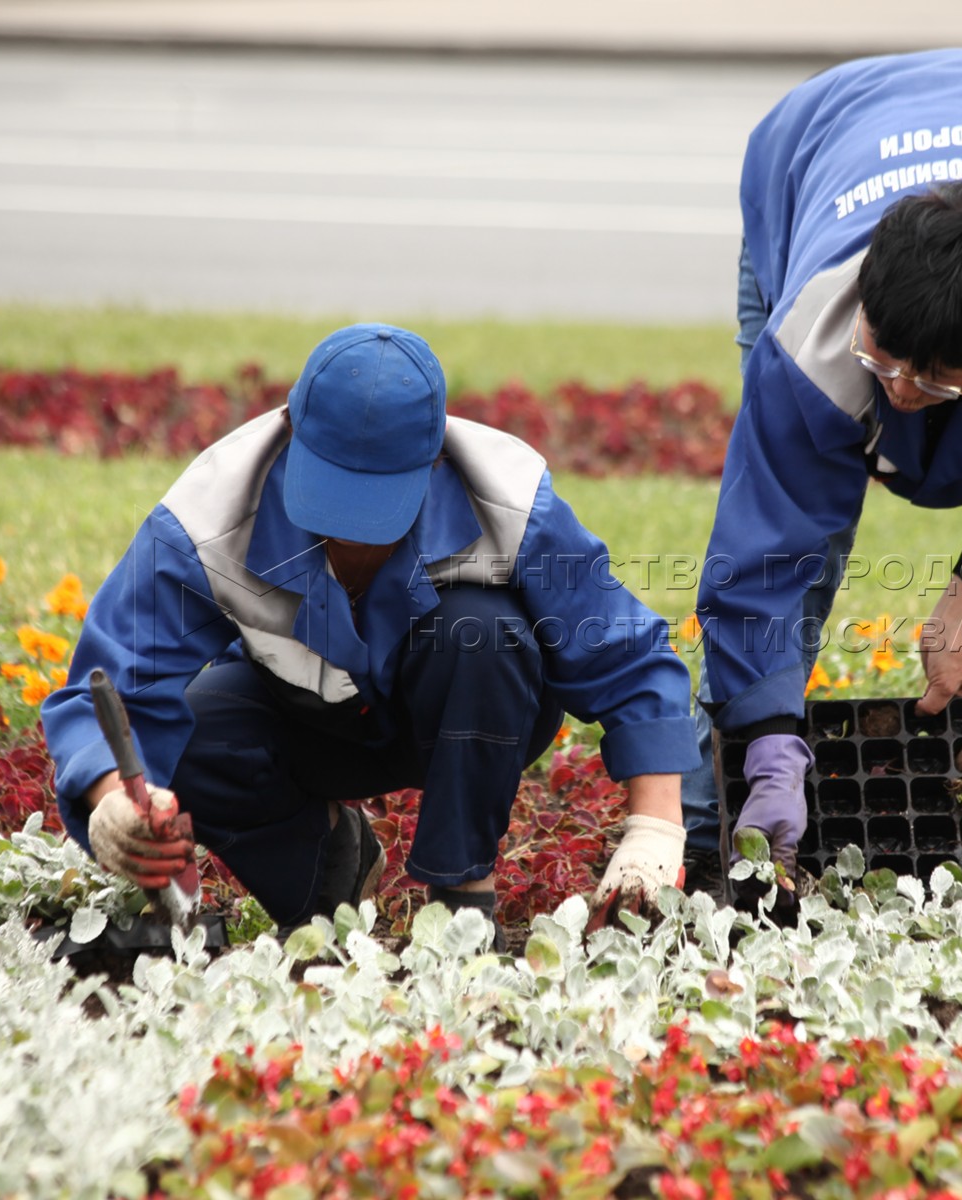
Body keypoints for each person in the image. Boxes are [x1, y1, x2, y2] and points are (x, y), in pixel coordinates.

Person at [42, 324, 699, 946]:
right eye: (330, 493)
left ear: (437, 456)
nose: (352, 533)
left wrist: (655, 827)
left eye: (378, 500)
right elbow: (110, 686)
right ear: (290, 431)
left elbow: (628, 656)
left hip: (474, 713)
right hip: (306, 719)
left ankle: (463, 905)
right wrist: (113, 801)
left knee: (482, 634)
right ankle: (327, 875)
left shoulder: (512, 500)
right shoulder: (205, 516)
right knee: (192, 734)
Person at [683, 49, 962, 877]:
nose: (900, 393)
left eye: (938, 378)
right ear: (862, 302)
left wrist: (957, 614)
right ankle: (708, 821)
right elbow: (765, 549)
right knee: (802, 549)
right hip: (811, 147)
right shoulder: (812, 341)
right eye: (885, 359)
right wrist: (773, 743)